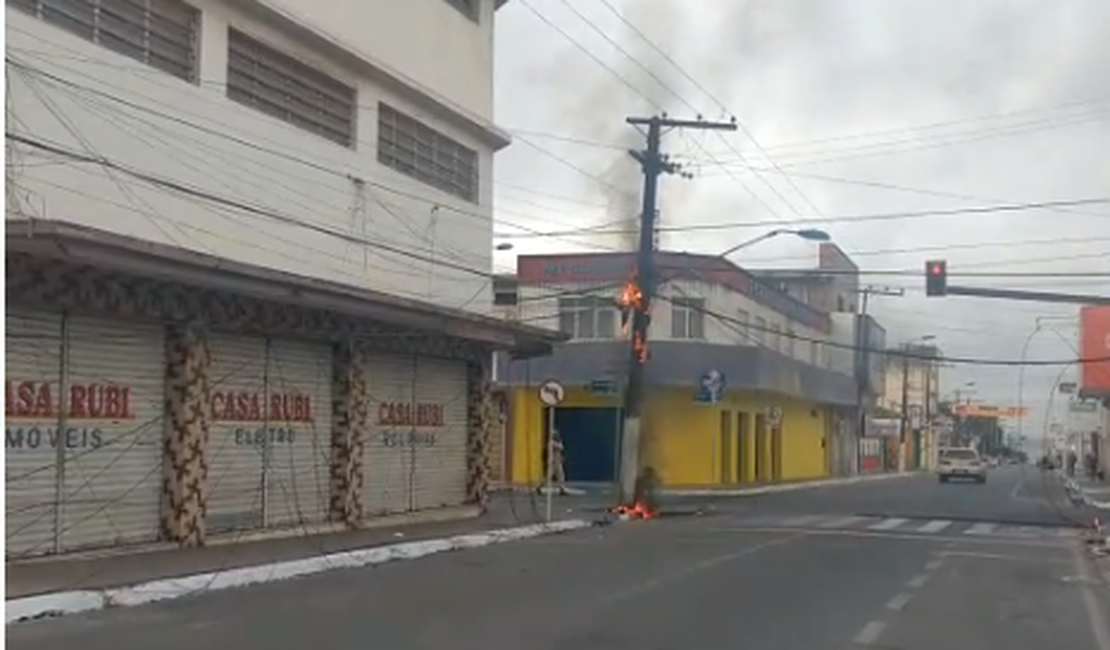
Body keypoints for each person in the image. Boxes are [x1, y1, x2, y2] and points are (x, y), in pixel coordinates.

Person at [538, 429, 568, 496]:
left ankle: (562, 489)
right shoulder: (551, 443)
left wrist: (561, 458)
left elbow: (561, 450)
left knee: (561, 475)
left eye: (557, 435)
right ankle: (540, 486)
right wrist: (559, 444)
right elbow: (560, 447)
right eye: (555, 435)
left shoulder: (558, 442)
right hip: (552, 462)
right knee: (548, 476)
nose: (557, 436)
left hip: (557, 461)